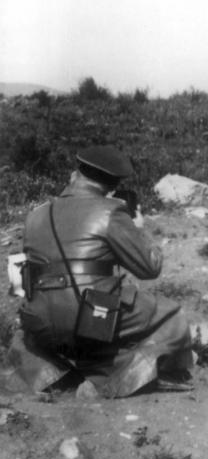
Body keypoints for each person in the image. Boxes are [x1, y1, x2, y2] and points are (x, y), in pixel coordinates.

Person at [8, 146, 194, 396]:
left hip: (40, 319)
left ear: (76, 174)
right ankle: (109, 380)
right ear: (112, 185)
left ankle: (52, 378)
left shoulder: (35, 214)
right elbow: (150, 268)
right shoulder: (110, 211)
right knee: (171, 315)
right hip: (92, 320)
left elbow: (20, 277)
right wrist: (138, 228)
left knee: (24, 336)